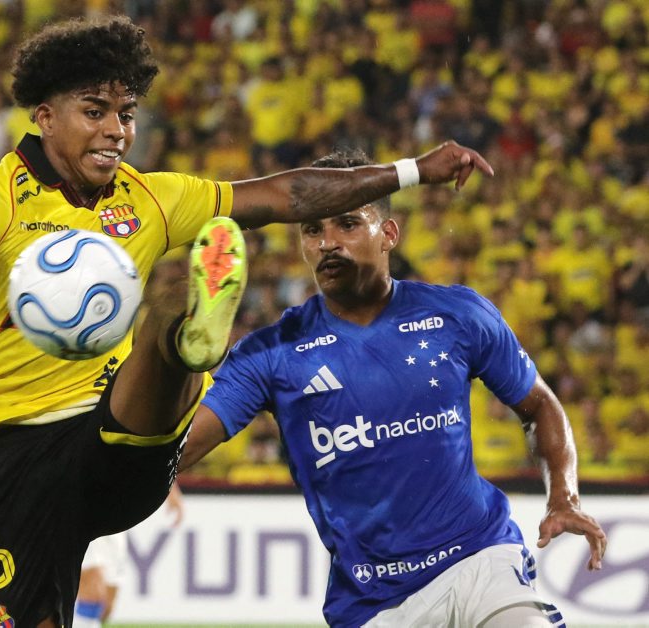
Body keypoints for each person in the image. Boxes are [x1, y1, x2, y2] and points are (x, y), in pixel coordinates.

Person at [0, 16, 493, 628]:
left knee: (165, 318)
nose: (117, 131)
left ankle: (187, 335)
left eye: (125, 114)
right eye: (95, 112)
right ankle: (180, 336)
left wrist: (411, 170)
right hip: (17, 456)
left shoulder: (153, 197)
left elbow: (285, 194)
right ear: (44, 116)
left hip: (117, 436)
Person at [180, 148, 607, 628]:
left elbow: (539, 404)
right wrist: (178, 358)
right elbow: (177, 450)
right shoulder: (271, 353)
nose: (327, 243)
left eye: (347, 223)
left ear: (389, 234)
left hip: (480, 559)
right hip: (373, 603)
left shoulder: (458, 315)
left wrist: (564, 496)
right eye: (312, 229)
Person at [72, 483, 184, 628]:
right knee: (93, 593)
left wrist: (171, 489)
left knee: (106, 606)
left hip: (116, 513)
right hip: (81, 503)